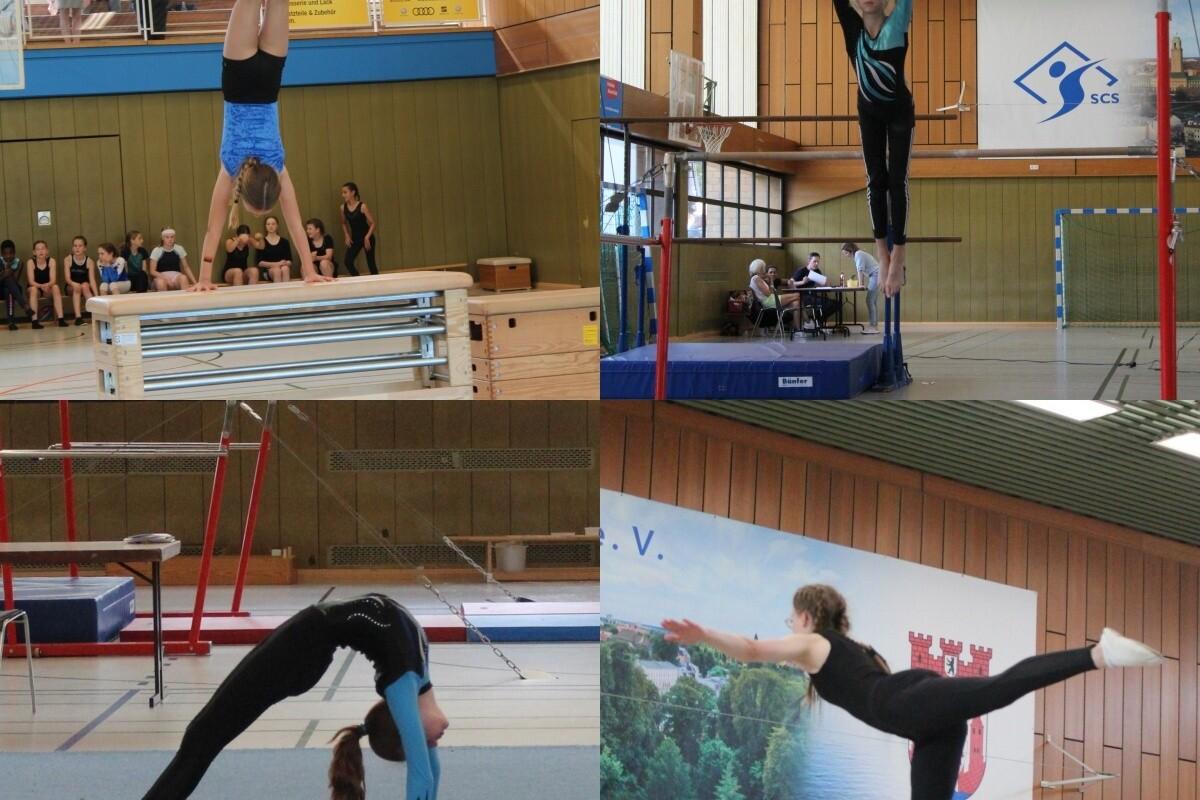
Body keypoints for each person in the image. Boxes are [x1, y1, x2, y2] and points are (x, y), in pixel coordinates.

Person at [663, 583, 1163, 800]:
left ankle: (1097, 653)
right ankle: (1096, 655)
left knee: (1000, 687)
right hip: (924, 719)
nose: (788, 626)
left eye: (791, 618)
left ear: (808, 617)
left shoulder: (814, 644)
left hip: (913, 707)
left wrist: (703, 634)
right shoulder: (849, 647)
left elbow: (750, 651)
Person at [142, 594, 447, 800]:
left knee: (201, 739)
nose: (434, 743)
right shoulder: (416, 676)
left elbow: (423, 775)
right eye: (425, 743)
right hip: (304, 650)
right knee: (201, 740)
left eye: (423, 743)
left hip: (299, 651)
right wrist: (419, 747)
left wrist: (418, 747)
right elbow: (429, 771)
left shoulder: (403, 684)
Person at [192, 0, 332, 291]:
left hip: (269, 81)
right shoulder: (231, 166)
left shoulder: (277, 165)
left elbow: (294, 222)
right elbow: (213, 228)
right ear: (242, 190)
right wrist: (204, 278)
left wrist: (309, 270)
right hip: (237, 77)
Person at [833, 0, 914, 298]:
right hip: (869, 113)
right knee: (875, 181)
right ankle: (883, 252)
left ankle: (900, 253)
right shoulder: (852, 27)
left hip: (900, 113)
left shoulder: (897, 23)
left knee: (897, 180)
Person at [748, 258, 799, 329]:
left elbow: (771, 291)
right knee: (798, 295)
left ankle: (798, 329)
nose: (764, 269)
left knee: (796, 302)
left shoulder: (757, 278)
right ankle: (807, 322)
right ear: (759, 268)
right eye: (763, 267)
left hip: (771, 299)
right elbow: (769, 293)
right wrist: (771, 281)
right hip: (768, 301)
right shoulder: (756, 278)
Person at [842, 241, 881, 333]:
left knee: (870, 301)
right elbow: (861, 270)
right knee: (872, 301)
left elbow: (860, 270)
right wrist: (861, 283)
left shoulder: (858, 254)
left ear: (851, 250)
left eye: (846, 253)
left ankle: (873, 327)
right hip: (876, 275)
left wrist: (860, 284)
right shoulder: (859, 254)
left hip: (876, 275)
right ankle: (874, 326)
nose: (846, 256)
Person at [341, 182, 378, 276]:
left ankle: (377, 286)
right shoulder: (342, 208)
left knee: (371, 264)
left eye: (345, 192)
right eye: (342, 193)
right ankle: (358, 280)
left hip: (367, 238)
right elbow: (343, 223)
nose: (343, 195)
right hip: (355, 239)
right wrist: (346, 235)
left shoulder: (362, 206)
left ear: (353, 193)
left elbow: (373, 223)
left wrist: (367, 237)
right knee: (348, 261)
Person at [26, 240, 65, 329]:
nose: (41, 251)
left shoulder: (51, 261)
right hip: (34, 288)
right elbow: (31, 281)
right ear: (34, 252)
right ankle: (34, 321)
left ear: (47, 251)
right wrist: (41, 286)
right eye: (38, 249)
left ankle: (61, 319)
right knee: (33, 289)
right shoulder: (31, 262)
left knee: (55, 287)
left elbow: (53, 280)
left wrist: (47, 285)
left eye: (43, 248)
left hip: (48, 287)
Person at [63, 235, 98, 325]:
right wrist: (74, 284)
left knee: (85, 285)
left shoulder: (89, 261)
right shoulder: (68, 259)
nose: (77, 248)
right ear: (72, 247)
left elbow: (92, 280)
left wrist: (97, 296)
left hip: (84, 286)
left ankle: (96, 315)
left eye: (80, 246)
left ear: (85, 248)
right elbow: (67, 279)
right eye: (75, 246)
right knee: (77, 287)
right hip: (71, 286)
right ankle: (78, 318)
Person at [0, 240, 31, 331]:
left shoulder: (19, 262)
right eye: (5, 254)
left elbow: (15, 281)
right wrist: (5, 274)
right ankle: (25, 305)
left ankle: (11, 323)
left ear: (14, 253)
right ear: (1, 254)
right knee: (7, 287)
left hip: (14, 289)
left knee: (8, 289)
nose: (8, 256)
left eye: (11, 253)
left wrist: (7, 271)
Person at [253, 215, 293, 282]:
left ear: (277, 225)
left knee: (285, 269)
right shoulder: (262, 242)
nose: (270, 226)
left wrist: (285, 263)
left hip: (282, 268)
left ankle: (286, 292)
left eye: (273, 224)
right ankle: (278, 292)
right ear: (265, 226)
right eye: (268, 224)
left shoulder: (284, 242)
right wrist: (276, 264)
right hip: (268, 270)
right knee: (277, 271)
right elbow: (260, 262)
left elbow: (289, 261)